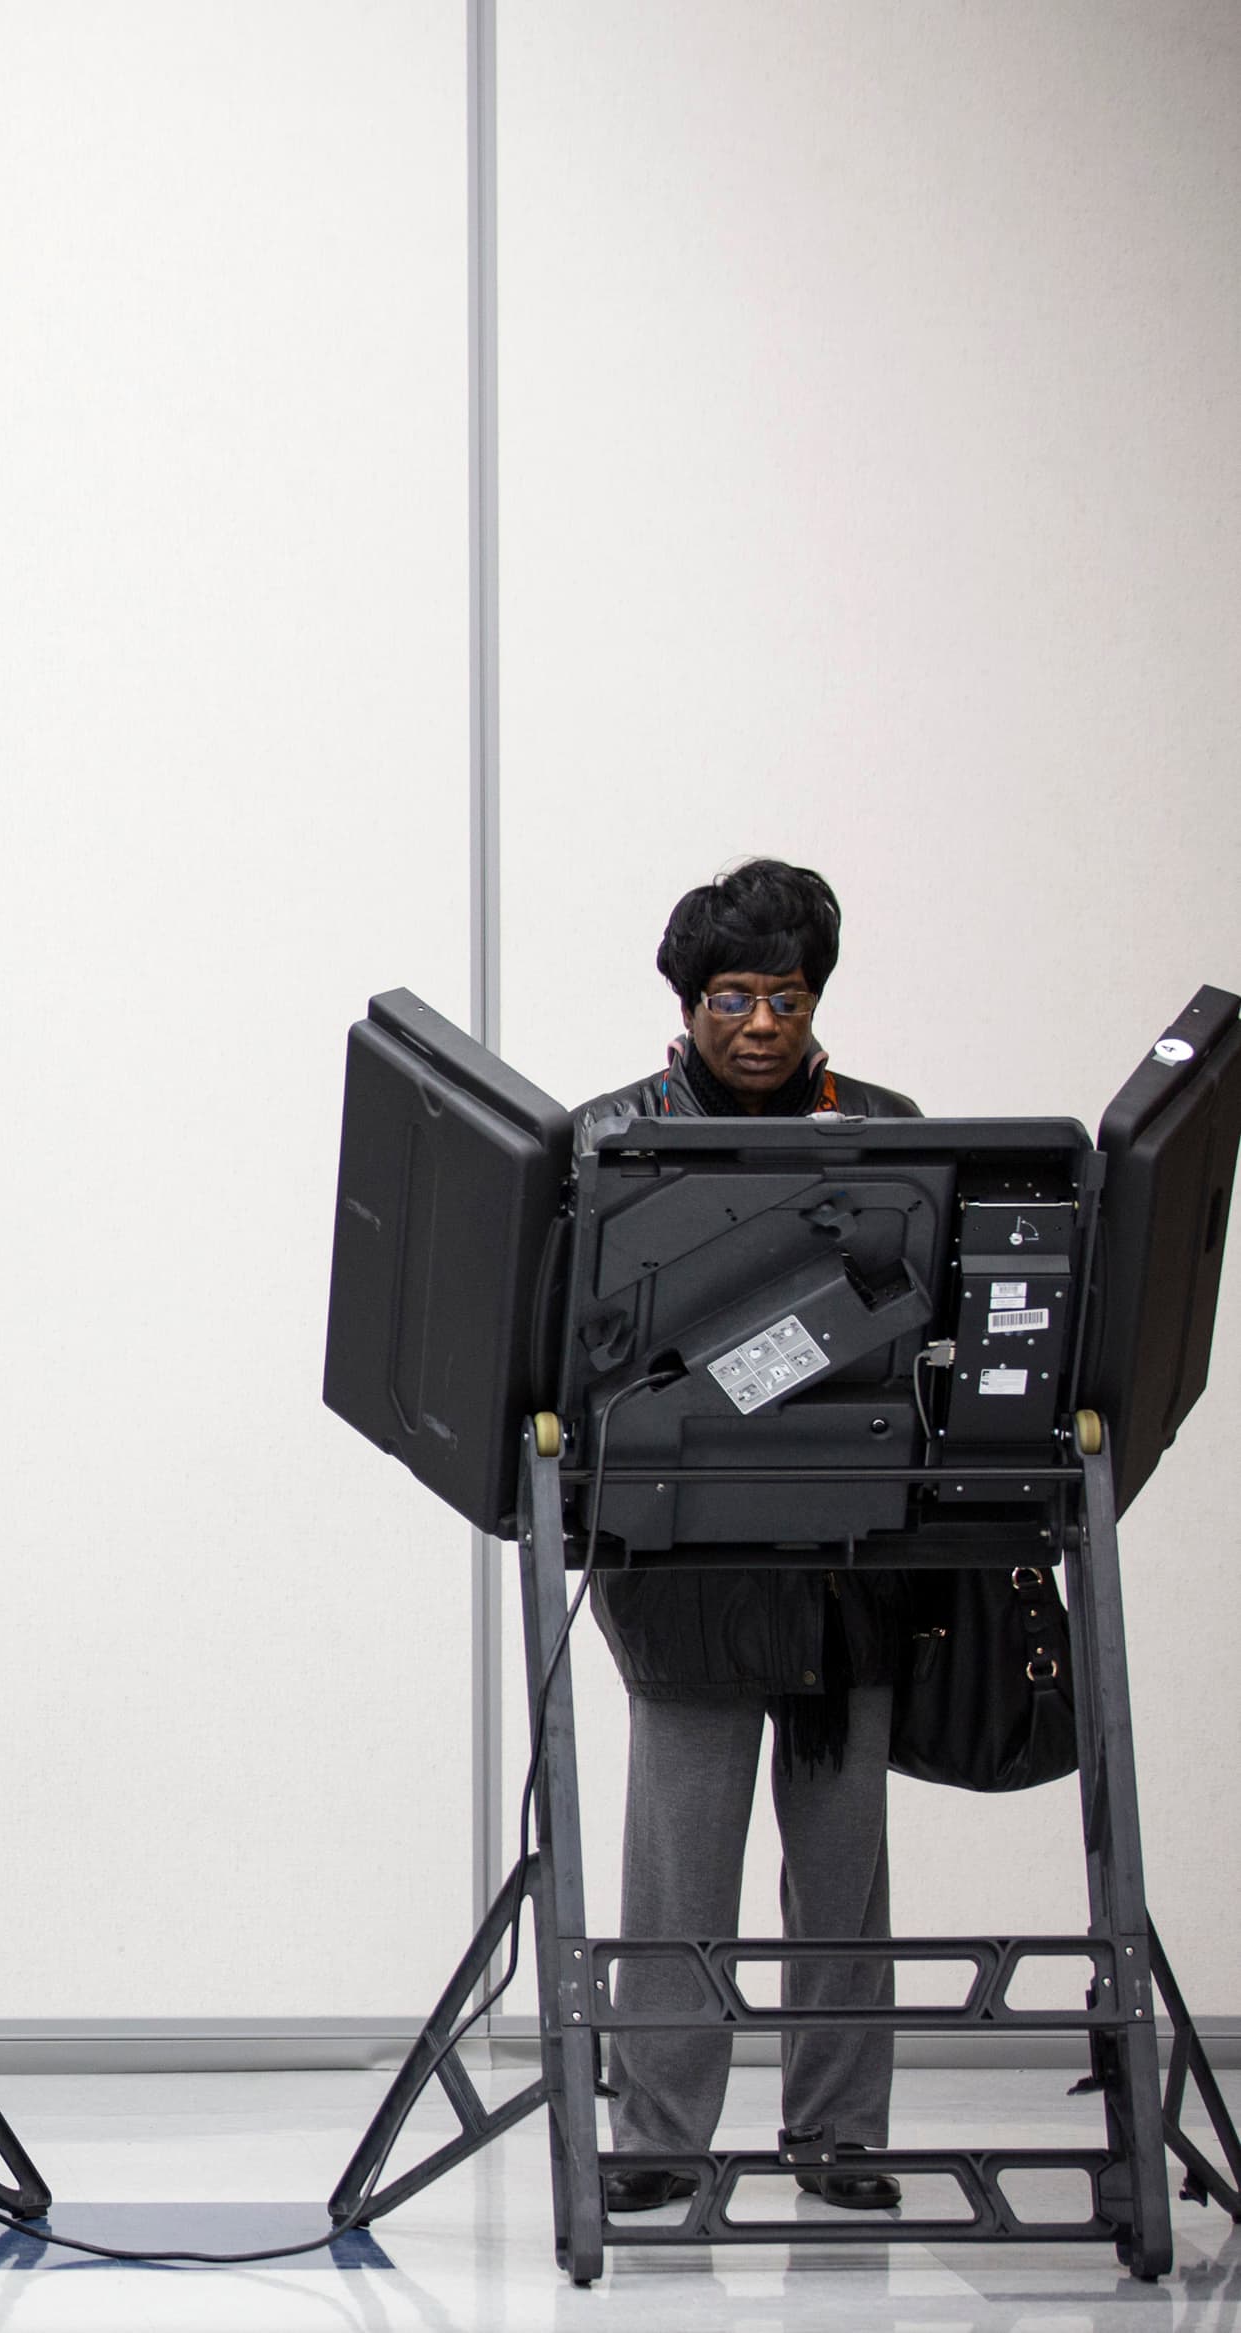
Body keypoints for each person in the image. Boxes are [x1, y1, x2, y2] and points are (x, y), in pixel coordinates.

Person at [576, 858, 918, 2215]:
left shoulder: (891, 1131)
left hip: (846, 1546)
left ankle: (841, 2137)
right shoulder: (614, 1138)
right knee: (682, 1855)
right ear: (689, 1002)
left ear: (816, 994)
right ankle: (662, 2132)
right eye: (735, 996)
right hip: (683, 1550)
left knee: (843, 1861)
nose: (763, 1023)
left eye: (787, 994)